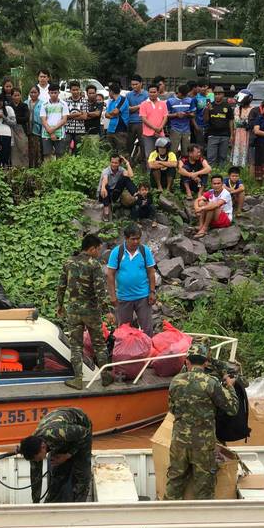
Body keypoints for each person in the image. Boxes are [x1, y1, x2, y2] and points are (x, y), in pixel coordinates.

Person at [166, 342, 238, 500]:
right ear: (206, 362)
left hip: (179, 442)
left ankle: (167, 519)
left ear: (187, 361)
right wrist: (230, 386)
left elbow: (172, 409)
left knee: (174, 482)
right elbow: (232, 408)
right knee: (204, 487)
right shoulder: (211, 383)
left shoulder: (176, 381)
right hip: (203, 444)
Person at [56, 233, 113, 390]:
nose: (99, 253)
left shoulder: (68, 263)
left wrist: (59, 305)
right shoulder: (94, 264)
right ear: (92, 249)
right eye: (99, 249)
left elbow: (61, 286)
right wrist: (107, 311)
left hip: (73, 311)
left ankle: (78, 379)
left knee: (75, 346)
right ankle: (106, 376)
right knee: (99, 344)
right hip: (91, 312)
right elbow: (101, 290)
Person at [19, 406, 93, 503]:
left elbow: (85, 434)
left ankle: (78, 507)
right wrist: (35, 504)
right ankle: (50, 506)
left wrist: (68, 455)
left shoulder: (59, 433)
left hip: (81, 429)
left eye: (37, 458)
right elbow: (36, 479)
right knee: (58, 474)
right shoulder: (34, 448)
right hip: (60, 434)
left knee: (82, 476)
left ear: (43, 447)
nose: (37, 461)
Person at [106, 223, 156, 336]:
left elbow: (151, 272)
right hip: (124, 298)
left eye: (138, 239)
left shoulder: (144, 251)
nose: (136, 242)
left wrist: (152, 292)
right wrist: (113, 296)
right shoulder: (117, 252)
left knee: (147, 329)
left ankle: (149, 351)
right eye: (133, 239)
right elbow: (110, 275)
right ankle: (126, 352)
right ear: (126, 238)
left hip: (143, 297)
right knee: (124, 330)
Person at [98, 153, 134, 221]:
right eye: (112, 162)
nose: (114, 164)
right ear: (110, 162)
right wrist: (103, 187)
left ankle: (136, 194)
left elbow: (131, 175)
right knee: (106, 186)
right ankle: (106, 210)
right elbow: (105, 179)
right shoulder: (106, 171)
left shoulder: (121, 170)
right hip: (103, 194)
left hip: (114, 193)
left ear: (119, 163)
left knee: (125, 178)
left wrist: (127, 163)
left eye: (116, 163)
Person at [203, 86, 233, 168]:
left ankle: (221, 173)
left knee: (222, 157)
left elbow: (231, 120)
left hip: (225, 135)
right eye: (215, 94)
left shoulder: (227, 106)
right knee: (211, 157)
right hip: (212, 135)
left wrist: (232, 135)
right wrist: (207, 109)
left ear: (223, 95)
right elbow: (206, 120)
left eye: (219, 94)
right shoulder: (210, 105)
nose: (217, 96)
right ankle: (210, 174)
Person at [139, 84, 167, 160]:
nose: (152, 94)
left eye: (154, 92)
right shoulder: (143, 104)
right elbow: (144, 119)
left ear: (158, 92)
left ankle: (161, 171)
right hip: (148, 134)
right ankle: (150, 171)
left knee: (162, 154)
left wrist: (160, 127)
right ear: (148, 92)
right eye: (150, 92)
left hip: (160, 132)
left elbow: (165, 117)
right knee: (149, 154)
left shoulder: (163, 103)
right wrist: (155, 128)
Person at [40, 83, 68, 161]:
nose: (53, 95)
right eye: (51, 93)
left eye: (55, 92)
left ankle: (59, 172)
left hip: (60, 134)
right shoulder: (44, 104)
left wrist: (53, 130)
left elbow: (64, 120)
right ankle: (48, 172)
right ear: (48, 93)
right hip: (46, 134)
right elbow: (43, 120)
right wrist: (51, 132)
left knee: (60, 155)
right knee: (47, 155)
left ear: (59, 93)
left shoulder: (64, 104)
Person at [166, 83, 195, 157]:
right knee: (173, 151)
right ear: (178, 92)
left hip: (186, 129)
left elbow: (193, 114)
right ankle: (172, 166)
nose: (184, 97)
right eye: (182, 95)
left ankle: (184, 167)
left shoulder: (190, 100)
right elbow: (166, 115)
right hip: (174, 129)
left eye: (185, 95)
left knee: (186, 152)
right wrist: (176, 114)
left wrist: (187, 114)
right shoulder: (170, 101)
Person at [125, 75, 148, 161]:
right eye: (132, 84)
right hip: (130, 122)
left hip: (142, 122)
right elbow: (127, 109)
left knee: (143, 144)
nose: (134, 86)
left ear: (141, 83)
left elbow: (146, 110)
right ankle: (128, 163)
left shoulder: (146, 94)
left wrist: (134, 108)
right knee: (129, 144)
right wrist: (140, 106)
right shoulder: (128, 95)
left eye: (136, 84)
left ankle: (143, 164)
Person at [62, 80, 88, 154]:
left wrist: (70, 116)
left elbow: (84, 117)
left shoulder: (84, 101)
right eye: (73, 90)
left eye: (77, 90)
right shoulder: (65, 101)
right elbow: (64, 116)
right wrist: (78, 114)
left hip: (80, 130)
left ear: (79, 89)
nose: (75, 92)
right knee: (65, 151)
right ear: (70, 90)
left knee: (78, 152)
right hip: (68, 130)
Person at [104, 80, 129, 151]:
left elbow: (115, 111)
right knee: (111, 152)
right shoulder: (111, 102)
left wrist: (112, 114)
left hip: (120, 130)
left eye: (109, 91)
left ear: (111, 91)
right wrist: (113, 115)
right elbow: (106, 115)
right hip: (110, 130)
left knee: (122, 152)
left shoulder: (123, 99)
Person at [231, 91, 252, 167]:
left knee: (246, 147)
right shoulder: (237, 109)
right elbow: (237, 122)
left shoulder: (252, 109)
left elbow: (251, 122)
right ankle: (237, 165)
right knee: (238, 147)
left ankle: (246, 165)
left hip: (248, 133)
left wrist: (246, 122)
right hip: (239, 133)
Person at [11, 89, 30, 168]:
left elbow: (26, 118)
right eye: (15, 95)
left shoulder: (24, 105)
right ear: (12, 96)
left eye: (18, 95)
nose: (17, 97)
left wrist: (14, 119)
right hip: (11, 129)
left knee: (23, 149)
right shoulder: (9, 106)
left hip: (22, 129)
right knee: (13, 151)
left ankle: (25, 168)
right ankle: (15, 168)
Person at [26, 86, 43, 168]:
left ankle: (37, 168)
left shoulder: (42, 104)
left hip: (38, 130)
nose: (33, 94)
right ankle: (29, 168)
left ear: (38, 93)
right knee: (28, 150)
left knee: (37, 150)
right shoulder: (25, 103)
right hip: (27, 130)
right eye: (31, 92)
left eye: (35, 92)